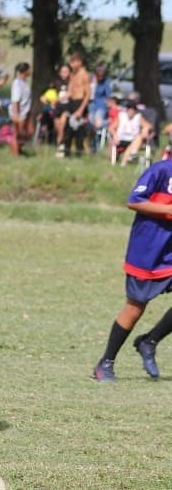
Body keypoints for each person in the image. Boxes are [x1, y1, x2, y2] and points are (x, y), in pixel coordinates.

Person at [93, 157, 172, 382]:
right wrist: (168, 209)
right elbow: (134, 200)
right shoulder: (161, 170)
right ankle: (105, 363)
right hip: (148, 251)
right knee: (135, 307)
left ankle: (150, 341)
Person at [61, 52, 91, 158]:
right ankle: (66, 152)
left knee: (79, 130)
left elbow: (88, 94)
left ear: (79, 62)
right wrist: (60, 98)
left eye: (73, 62)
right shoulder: (72, 74)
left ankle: (79, 153)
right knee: (68, 129)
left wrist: (81, 110)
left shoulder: (84, 74)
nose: (71, 64)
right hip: (72, 102)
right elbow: (70, 90)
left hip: (80, 102)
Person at [108, 99, 152, 166]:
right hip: (121, 139)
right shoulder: (121, 116)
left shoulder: (138, 117)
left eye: (133, 110)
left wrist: (145, 129)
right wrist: (114, 135)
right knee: (134, 143)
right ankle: (129, 157)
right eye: (129, 109)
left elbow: (149, 126)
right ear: (127, 109)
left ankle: (128, 158)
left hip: (134, 140)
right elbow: (111, 128)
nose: (131, 111)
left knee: (138, 138)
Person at [9, 62, 33, 156]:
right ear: (25, 71)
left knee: (29, 132)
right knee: (17, 134)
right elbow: (15, 100)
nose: (30, 71)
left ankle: (19, 149)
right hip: (19, 112)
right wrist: (16, 115)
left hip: (26, 112)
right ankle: (16, 155)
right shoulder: (17, 83)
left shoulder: (24, 83)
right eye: (29, 69)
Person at [88, 62, 112, 153]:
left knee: (97, 123)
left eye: (102, 73)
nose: (100, 75)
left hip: (101, 106)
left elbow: (108, 97)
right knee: (91, 122)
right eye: (99, 73)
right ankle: (92, 144)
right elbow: (90, 94)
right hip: (92, 105)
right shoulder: (91, 80)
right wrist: (93, 84)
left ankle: (95, 146)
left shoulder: (106, 82)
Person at [53, 63, 72, 153]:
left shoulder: (72, 82)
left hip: (67, 108)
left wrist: (59, 98)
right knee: (58, 128)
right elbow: (50, 93)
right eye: (62, 72)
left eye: (66, 72)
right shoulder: (56, 82)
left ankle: (60, 146)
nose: (64, 74)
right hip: (58, 108)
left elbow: (70, 93)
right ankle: (60, 143)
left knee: (62, 127)